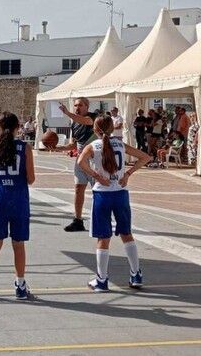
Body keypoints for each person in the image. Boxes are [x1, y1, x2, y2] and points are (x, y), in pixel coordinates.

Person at [75, 115, 149, 292]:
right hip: (120, 193)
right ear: (112, 128)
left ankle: (102, 279)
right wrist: (128, 174)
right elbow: (145, 157)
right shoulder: (121, 144)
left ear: (95, 129)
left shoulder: (93, 146)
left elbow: (80, 162)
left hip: (102, 193)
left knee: (103, 237)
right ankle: (136, 274)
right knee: (126, 234)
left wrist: (97, 176)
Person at [0, 112, 35, 300]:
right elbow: (31, 179)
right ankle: (20, 285)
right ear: (18, 127)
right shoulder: (25, 148)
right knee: (18, 244)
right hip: (18, 200)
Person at [57, 98, 99, 232]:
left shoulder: (94, 117)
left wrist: (67, 113)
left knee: (98, 190)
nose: (77, 107)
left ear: (87, 106)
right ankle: (78, 220)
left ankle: (101, 219)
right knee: (78, 188)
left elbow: (85, 121)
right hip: (80, 159)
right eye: (75, 105)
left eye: (80, 105)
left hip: (95, 159)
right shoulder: (74, 124)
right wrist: (57, 148)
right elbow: (73, 145)